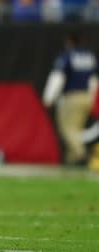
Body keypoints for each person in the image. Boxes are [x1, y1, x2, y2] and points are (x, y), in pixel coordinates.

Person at [43, 33, 98, 165]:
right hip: (87, 96)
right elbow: (94, 80)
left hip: (72, 97)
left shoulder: (67, 56)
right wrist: (92, 98)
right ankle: (72, 160)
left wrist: (49, 97)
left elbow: (58, 77)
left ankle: (82, 155)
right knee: (77, 129)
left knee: (68, 129)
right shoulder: (89, 56)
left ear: (69, 42)